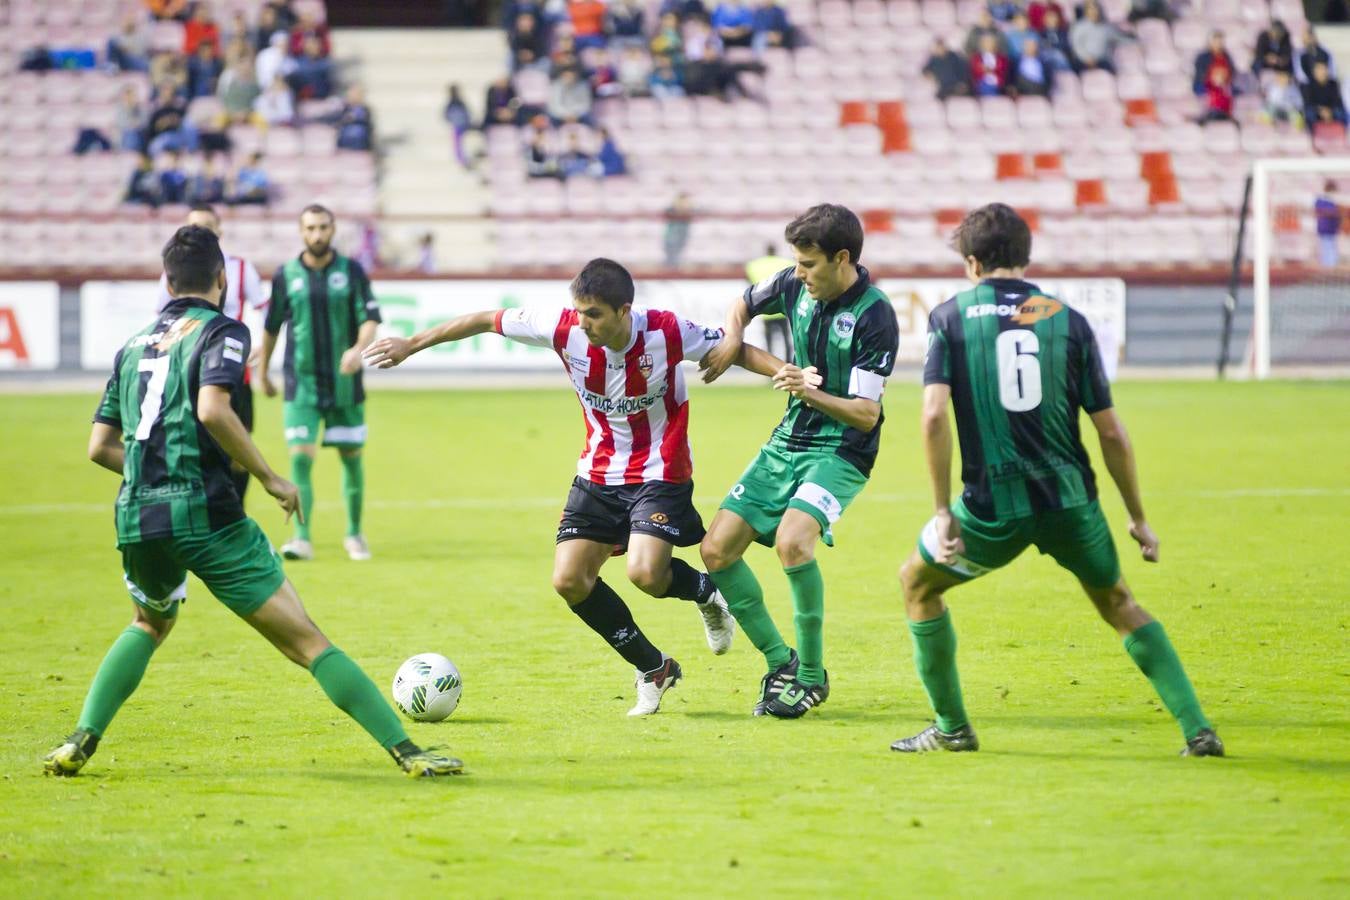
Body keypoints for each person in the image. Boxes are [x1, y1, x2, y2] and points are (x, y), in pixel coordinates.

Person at [43, 225, 461, 779]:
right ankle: (407, 752)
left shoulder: (133, 343)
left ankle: (81, 737)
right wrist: (269, 477)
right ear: (222, 278)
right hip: (207, 514)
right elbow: (213, 409)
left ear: (166, 280)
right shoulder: (223, 331)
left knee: (148, 622)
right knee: (309, 642)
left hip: (138, 512)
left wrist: (152, 474)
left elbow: (100, 447)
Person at [364, 258, 779, 715]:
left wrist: (788, 374)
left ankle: (704, 592)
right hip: (598, 475)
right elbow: (485, 320)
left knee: (645, 574)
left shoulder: (666, 331)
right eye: (579, 312)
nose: (584, 323)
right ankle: (654, 668)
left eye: (594, 314)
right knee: (569, 580)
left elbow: (735, 350)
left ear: (624, 310)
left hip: (660, 471)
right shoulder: (562, 328)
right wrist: (411, 345)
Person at [888, 203, 1223, 758]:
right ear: (1025, 257)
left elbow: (931, 416)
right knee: (1119, 602)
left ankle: (952, 728)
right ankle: (1197, 729)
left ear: (972, 262)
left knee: (918, 585)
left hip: (991, 510)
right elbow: (1111, 432)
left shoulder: (949, 317)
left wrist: (944, 511)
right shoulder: (1070, 319)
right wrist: (1137, 517)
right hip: (1072, 503)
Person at [699, 204, 900, 719]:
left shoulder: (875, 315)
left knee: (792, 543)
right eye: (796, 263)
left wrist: (804, 389)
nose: (799, 273)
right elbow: (740, 304)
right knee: (717, 551)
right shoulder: (791, 284)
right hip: (789, 439)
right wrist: (732, 338)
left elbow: (864, 414)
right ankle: (780, 662)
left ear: (842, 258)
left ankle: (811, 677)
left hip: (842, 451)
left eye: (809, 264)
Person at [258, 205, 381, 562]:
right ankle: (301, 538)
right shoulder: (286, 275)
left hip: (345, 383)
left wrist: (359, 349)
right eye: (310, 228)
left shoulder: (352, 270)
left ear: (333, 229)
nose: (317, 234)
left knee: (351, 459)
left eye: (323, 227)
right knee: (300, 460)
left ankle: (355, 534)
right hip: (302, 384)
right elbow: (271, 327)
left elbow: (370, 318)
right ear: (301, 232)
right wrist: (263, 373)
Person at [154, 204, 266, 503]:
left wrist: (263, 347)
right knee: (193, 444)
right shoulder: (174, 272)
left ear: (219, 231)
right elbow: (161, 320)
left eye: (206, 226)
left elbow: (265, 308)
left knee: (238, 453)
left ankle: (235, 511)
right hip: (189, 370)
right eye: (194, 226)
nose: (200, 232)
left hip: (233, 372)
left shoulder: (241, 268)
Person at [744, 243, 794, 361]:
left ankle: (771, 365)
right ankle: (788, 363)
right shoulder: (785, 262)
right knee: (786, 339)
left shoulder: (755, 265)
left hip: (765, 308)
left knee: (769, 340)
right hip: (783, 308)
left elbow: (750, 284)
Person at [1314, 182, 1341, 267]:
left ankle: (1332, 264)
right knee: (1326, 246)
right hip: (1325, 227)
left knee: (1332, 246)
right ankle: (1327, 265)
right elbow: (1319, 212)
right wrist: (1333, 213)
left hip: (1332, 228)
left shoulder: (1332, 201)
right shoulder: (1321, 200)